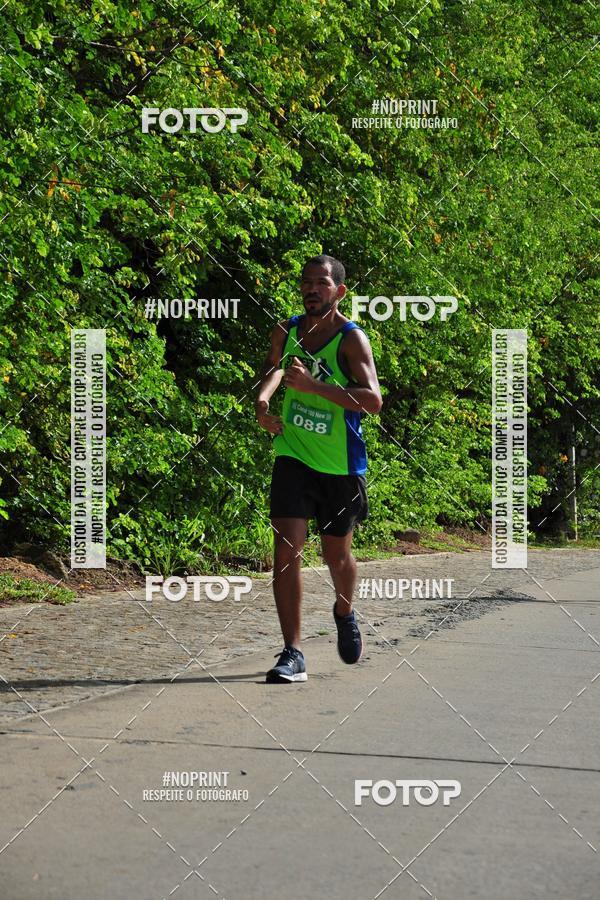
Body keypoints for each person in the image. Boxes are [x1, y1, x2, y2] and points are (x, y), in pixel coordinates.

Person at [255, 254, 382, 683]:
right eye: (306, 282)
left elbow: (373, 401)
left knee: (337, 555)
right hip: (293, 454)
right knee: (286, 552)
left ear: (339, 291)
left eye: (321, 283)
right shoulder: (286, 330)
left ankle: (344, 610)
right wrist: (263, 401)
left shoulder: (351, 340)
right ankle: (293, 652)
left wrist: (314, 387)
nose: (312, 289)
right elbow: (274, 370)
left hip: (339, 464)